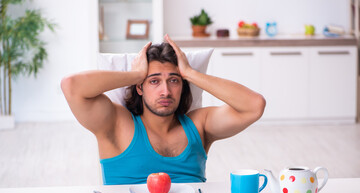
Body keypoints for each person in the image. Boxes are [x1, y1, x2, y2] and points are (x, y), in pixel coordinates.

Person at [61, 34, 266, 185]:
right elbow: (71, 86)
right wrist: (135, 75)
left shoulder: (199, 124)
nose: (165, 91)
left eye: (174, 80)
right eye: (154, 81)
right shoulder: (117, 123)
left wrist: (190, 73)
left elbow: (254, 106)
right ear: (140, 88)